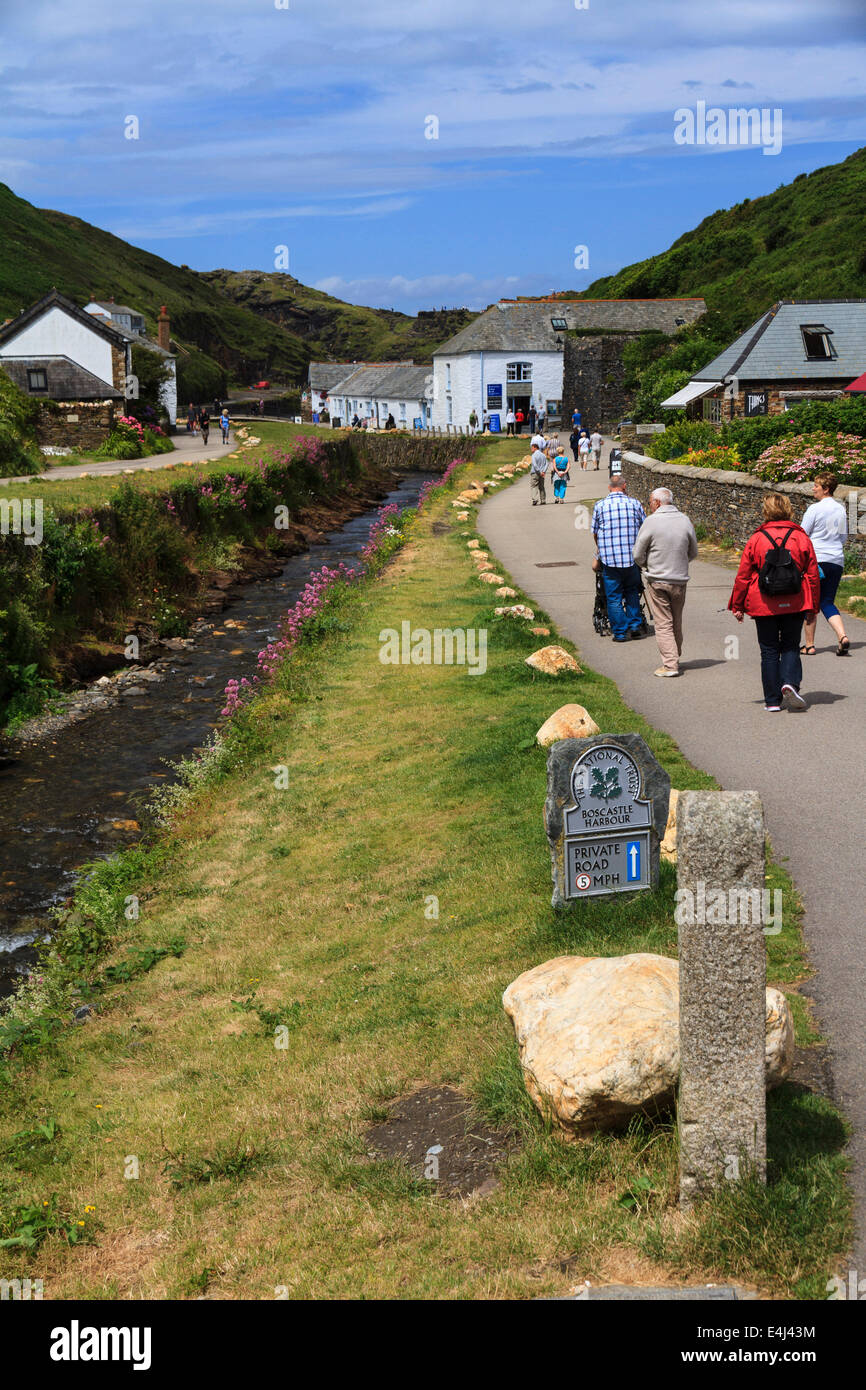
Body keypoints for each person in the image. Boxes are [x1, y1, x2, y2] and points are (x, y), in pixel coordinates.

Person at [728, 492, 820, 712]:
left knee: (768, 650)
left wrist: (737, 605)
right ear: (788, 509)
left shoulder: (757, 538)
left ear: (766, 510)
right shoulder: (801, 537)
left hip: (763, 601)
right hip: (794, 600)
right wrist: (813, 606)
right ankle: (789, 683)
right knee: (790, 646)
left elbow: (743, 575)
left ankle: (771, 701)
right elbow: (813, 574)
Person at [632, 487, 698, 677]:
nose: (650, 504)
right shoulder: (684, 520)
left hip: (658, 579)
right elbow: (693, 552)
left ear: (658, 503)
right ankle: (674, 656)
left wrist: (648, 565)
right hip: (679, 579)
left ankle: (670, 665)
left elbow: (637, 554)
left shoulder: (651, 521)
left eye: (651, 501)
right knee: (676, 620)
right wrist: (680, 563)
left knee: (663, 623)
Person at [799, 472, 850, 656]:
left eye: (816, 486)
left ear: (826, 489)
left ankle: (810, 645)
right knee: (827, 601)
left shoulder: (814, 509)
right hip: (836, 559)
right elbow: (843, 537)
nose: (813, 489)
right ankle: (842, 636)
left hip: (816, 560)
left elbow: (802, 533)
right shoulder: (841, 509)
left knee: (811, 602)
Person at [591, 477, 647, 642]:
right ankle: (634, 625)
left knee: (614, 596)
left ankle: (621, 632)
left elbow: (595, 532)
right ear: (624, 486)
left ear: (609, 487)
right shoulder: (635, 504)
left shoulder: (600, 505)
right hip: (632, 558)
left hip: (610, 559)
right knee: (631, 592)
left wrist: (600, 551)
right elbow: (644, 529)